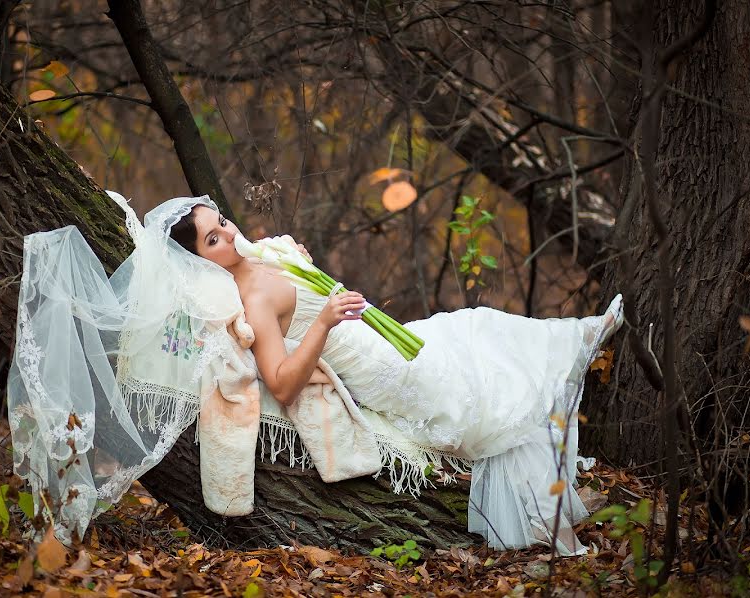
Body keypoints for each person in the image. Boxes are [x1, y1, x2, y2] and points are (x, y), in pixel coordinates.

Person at [169, 201, 624, 556]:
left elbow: (311, 290)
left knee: (475, 326)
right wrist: (323, 320)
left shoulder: (265, 254)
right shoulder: (252, 301)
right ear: (202, 262)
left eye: (223, 222)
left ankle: (577, 340)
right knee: (490, 390)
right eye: (213, 239)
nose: (229, 234)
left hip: (390, 338)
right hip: (378, 370)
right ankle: (578, 342)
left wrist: (301, 266)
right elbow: (283, 383)